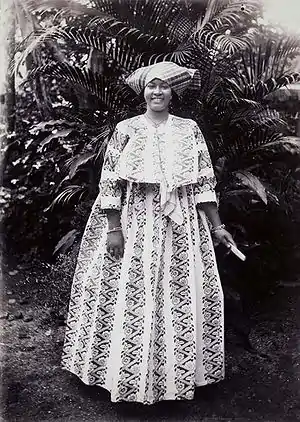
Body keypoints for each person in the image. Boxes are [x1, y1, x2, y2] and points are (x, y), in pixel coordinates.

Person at [61, 61, 236, 405]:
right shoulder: (126, 129)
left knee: (180, 292)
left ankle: (179, 377)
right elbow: (110, 182)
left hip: (182, 224)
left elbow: (203, 181)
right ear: (143, 91)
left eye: (164, 86)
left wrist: (218, 227)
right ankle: (125, 376)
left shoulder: (189, 129)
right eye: (152, 86)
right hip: (135, 220)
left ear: (174, 93)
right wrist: (113, 228)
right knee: (133, 292)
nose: (158, 92)